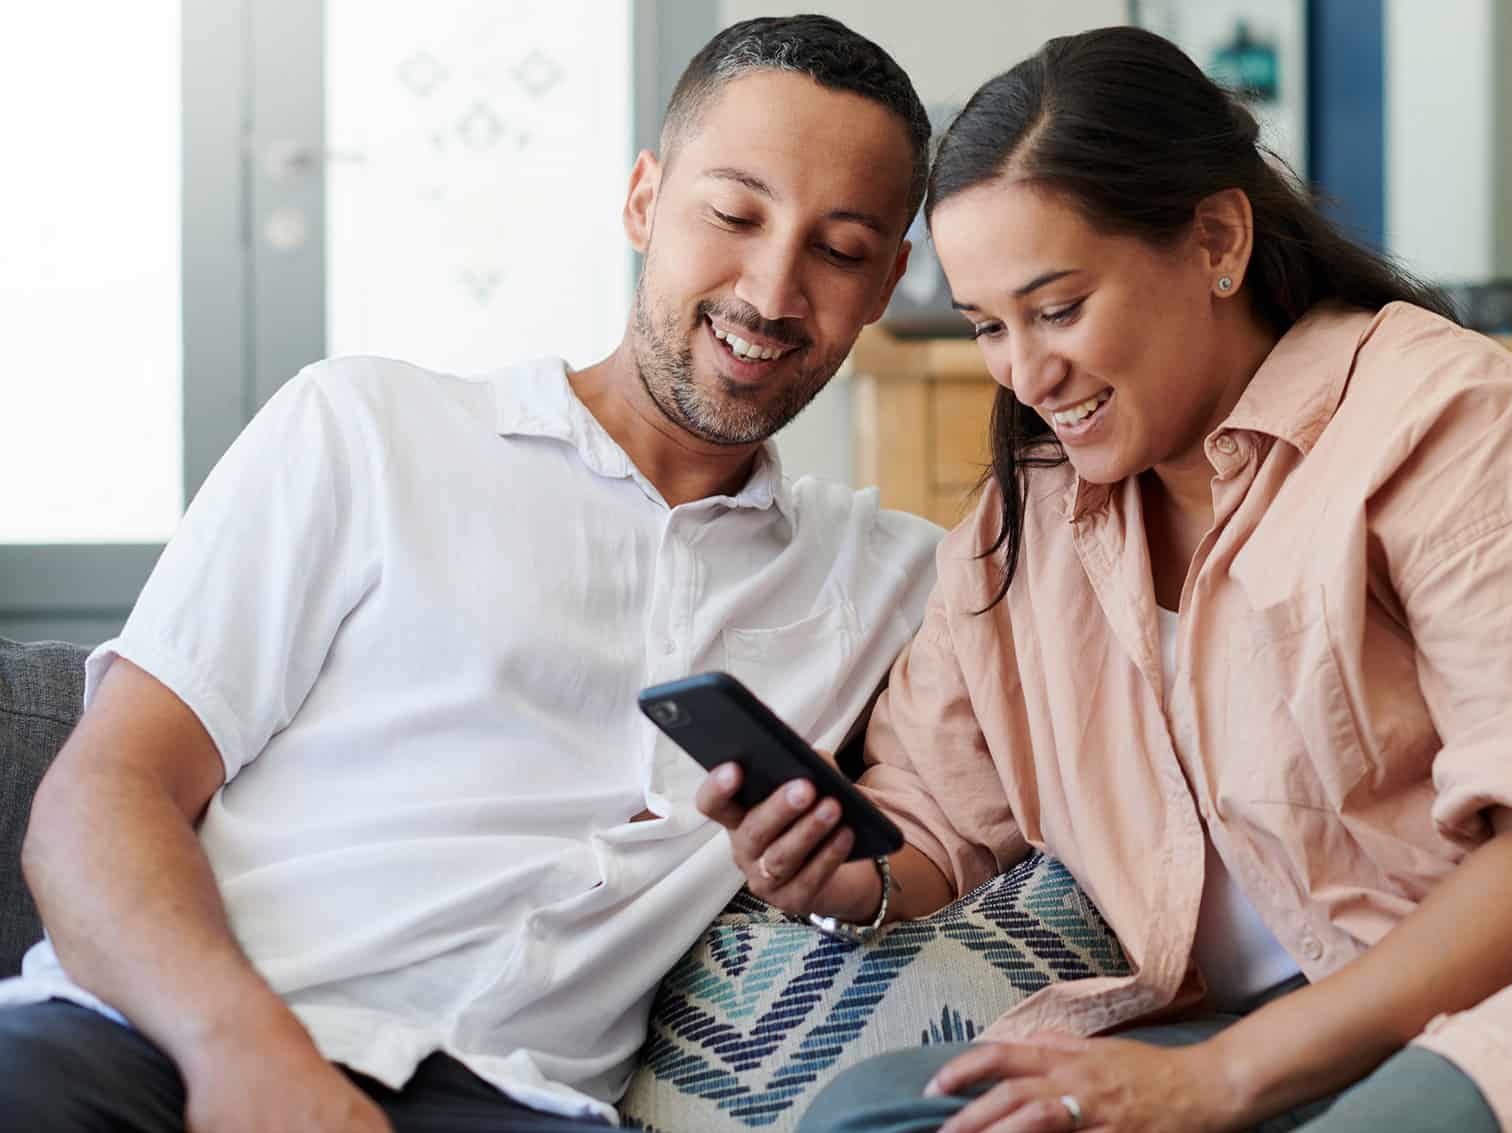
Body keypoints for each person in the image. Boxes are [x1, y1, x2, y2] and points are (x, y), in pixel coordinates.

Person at [700, 26, 1512, 1133]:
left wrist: (1218, 1082)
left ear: (1214, 239)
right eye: (986, 324)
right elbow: (937, 826)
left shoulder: (1451, 422)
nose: (1022, 371)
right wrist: (842, 869)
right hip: (1299, 1025)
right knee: (872, 1109)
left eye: (1057, 306)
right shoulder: (1021, 527)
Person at [0, 16, 943, 1132]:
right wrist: (240, 1054)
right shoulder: (363, 428)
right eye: (732, 214)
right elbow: (101, 793)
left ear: (886, 282)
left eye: (837, 250)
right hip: (149, 1040)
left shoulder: (892, 577)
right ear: (643, 199)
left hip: (512, 1100)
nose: (773, 290)